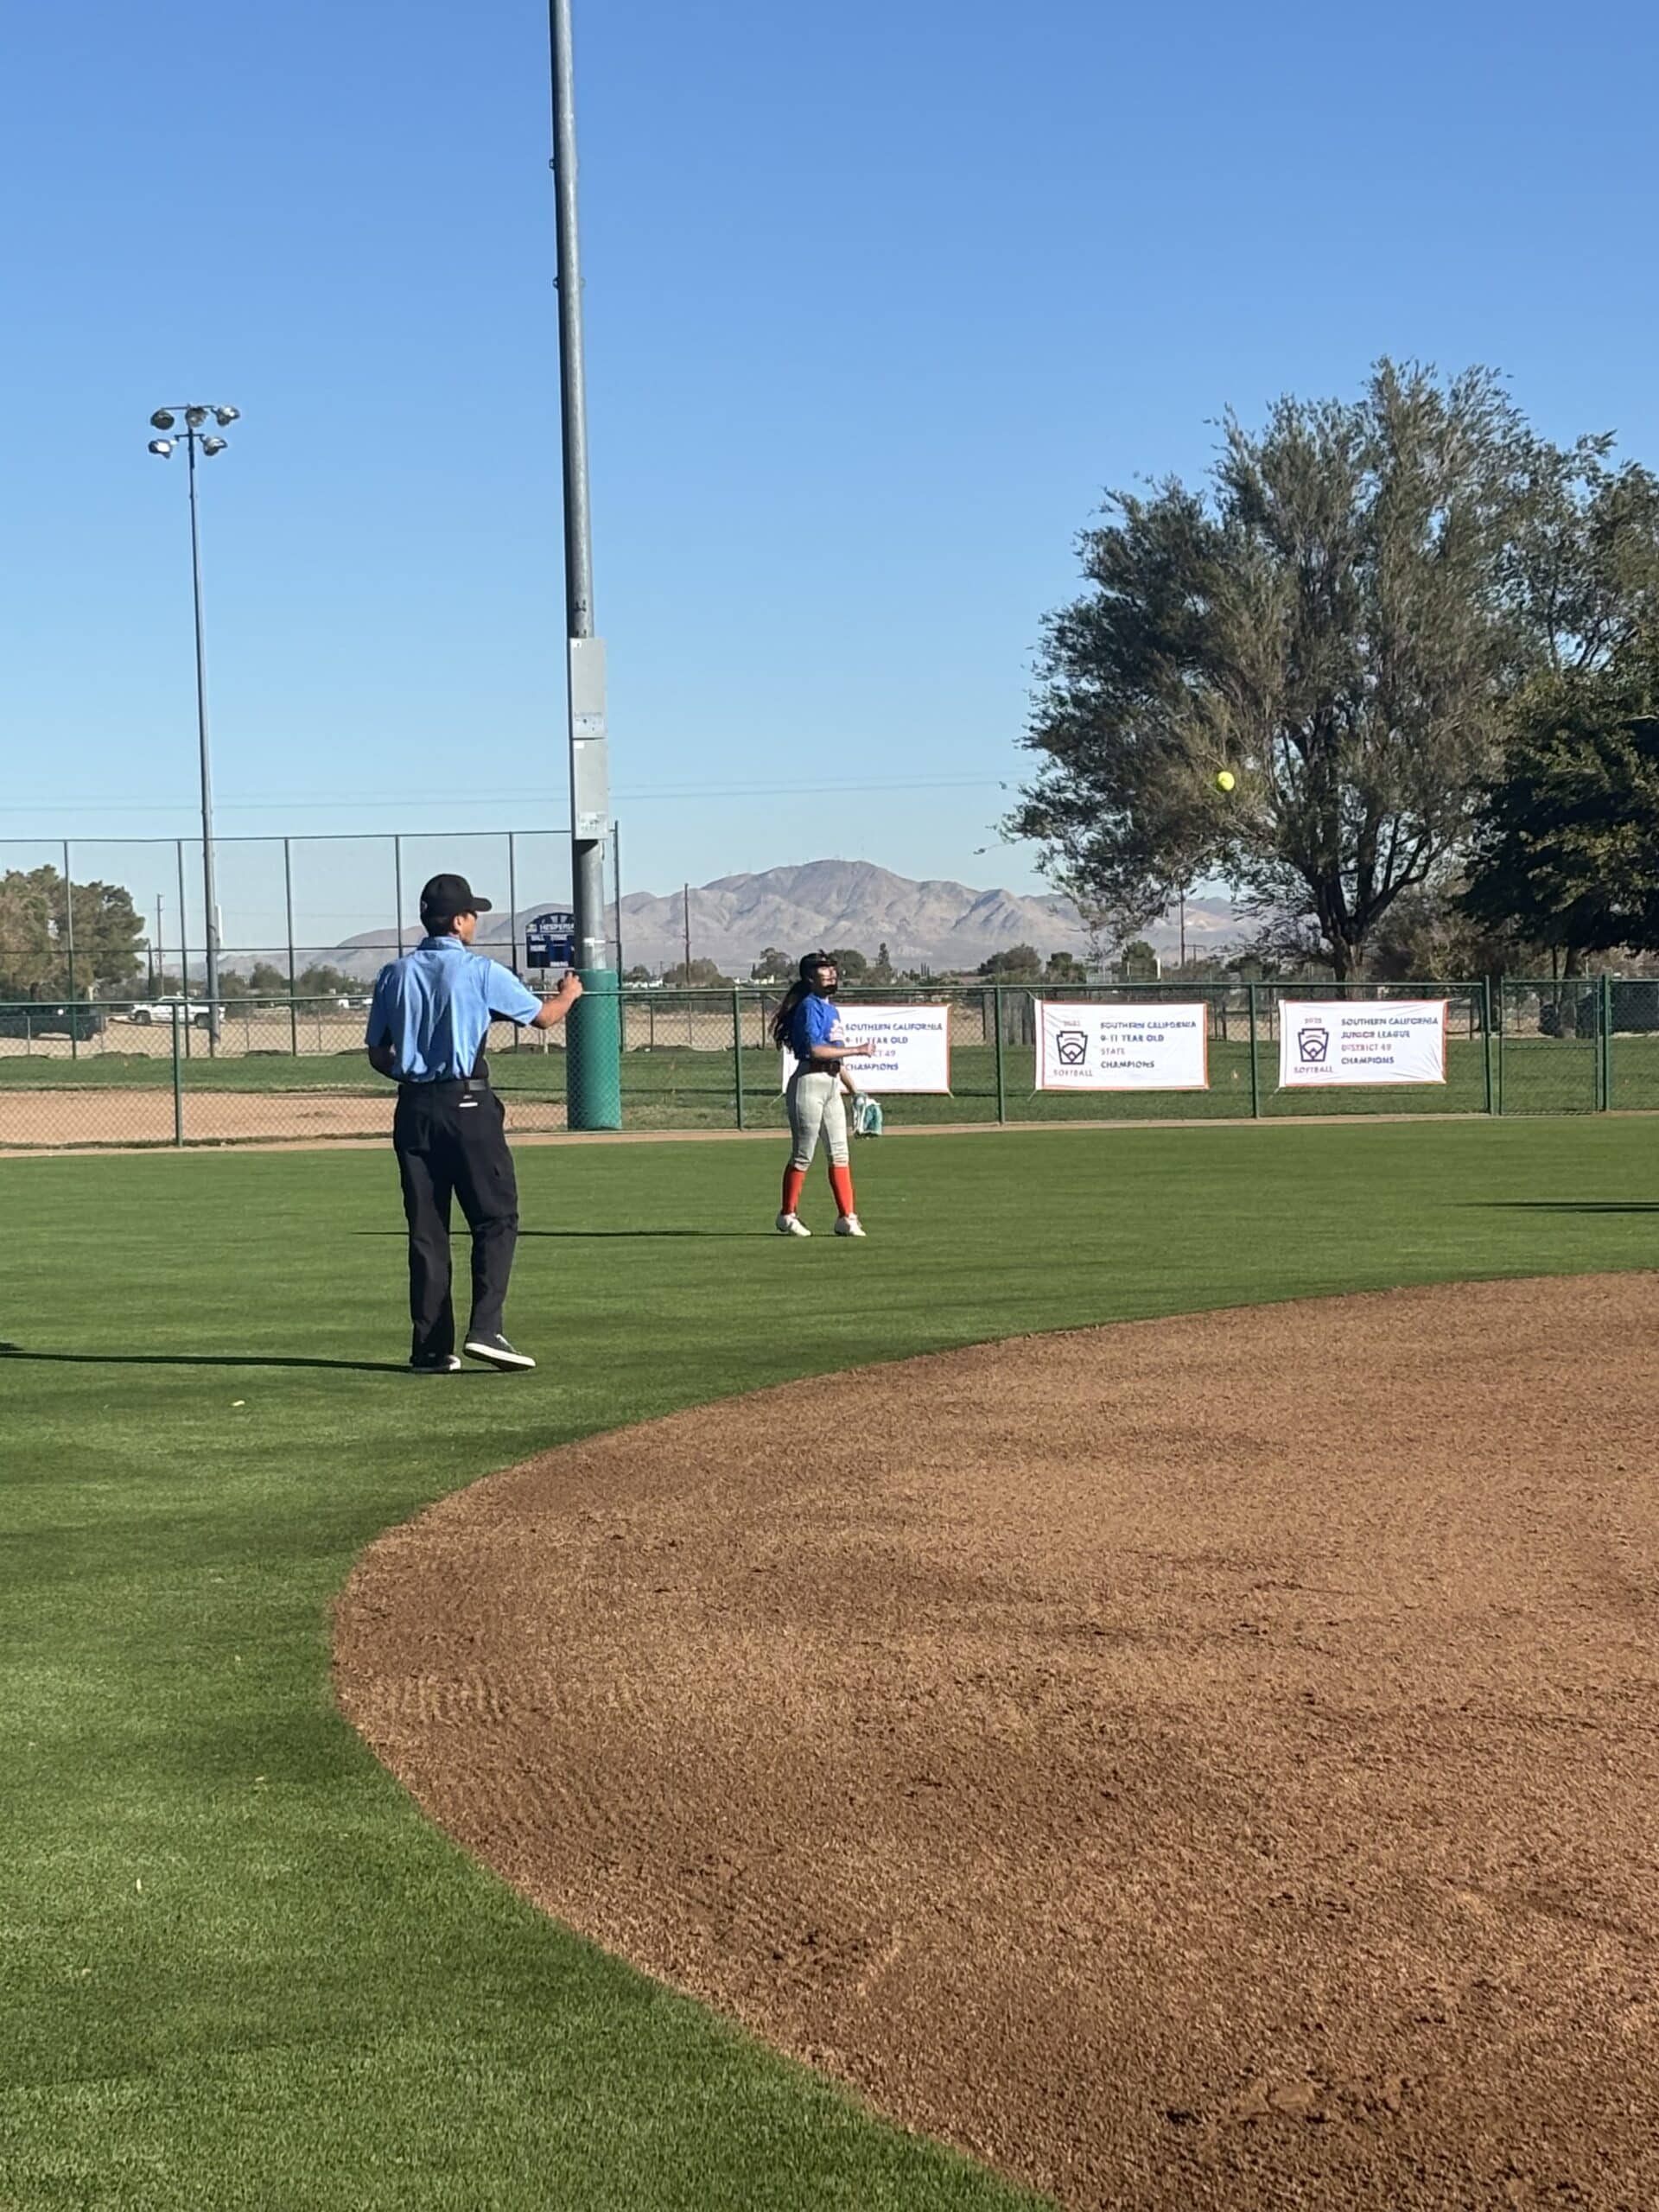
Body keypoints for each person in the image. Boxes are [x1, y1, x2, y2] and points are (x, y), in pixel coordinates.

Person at [365, 872, 582, 1372]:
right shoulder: (480, 971)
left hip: (413, 1109)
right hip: (467, 1105)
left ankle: (430, 1347)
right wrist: (569, 994)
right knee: (495, 1217)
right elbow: (543, 1018)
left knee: (427, 1230)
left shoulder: (394, 974)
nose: (476, 922)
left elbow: (377, 1052)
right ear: (460, 921)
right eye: (473, 915)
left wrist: (412, 1074)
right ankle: (486, 1329)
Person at [770, 951, 873, 1238]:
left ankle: (847, 1218)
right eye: (824, 971)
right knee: (803, 1154)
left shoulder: (831, 1010)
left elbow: (835, 1058)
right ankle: (787, 1215)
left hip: (831, 1084)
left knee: (840, 1153)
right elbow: (815, 1050)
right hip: (809, 1083)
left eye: (832, 970)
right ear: (809, 978)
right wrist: (858, 1050)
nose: (831, 974)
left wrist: (857, 1092)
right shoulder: (809, 1007)